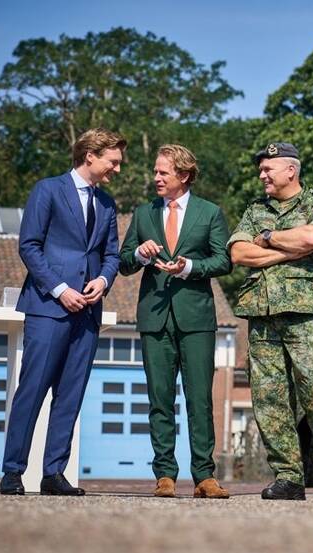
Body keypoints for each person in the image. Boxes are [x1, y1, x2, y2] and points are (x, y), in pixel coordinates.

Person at [1, 128, 125, 496]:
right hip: (48, 309)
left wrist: (103, 281)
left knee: (71, 395)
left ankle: (53, 472)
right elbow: (30, 245)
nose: (116, 170)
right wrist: (60, 289)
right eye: (113, 162)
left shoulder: (107, 204)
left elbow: (111, 254)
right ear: (90, 154)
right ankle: (12, 471)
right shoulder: (47, 190)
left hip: (87, 314)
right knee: (32, 390)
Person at [228, 142, 313, 502]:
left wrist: (266, 240)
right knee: (269, 399)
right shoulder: (255, 209)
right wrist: (288, 250)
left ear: (290, 171)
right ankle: (288, 477)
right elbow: (237, 252)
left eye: (268, 169)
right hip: (262, 314)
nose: (262, 175)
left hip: (307, 314)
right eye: (261, 170)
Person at [119, 144, 232, 499]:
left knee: (200, 400)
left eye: (162, 172)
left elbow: (223, 261)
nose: (156, 178)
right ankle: (164, 475)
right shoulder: (142, 214)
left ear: (183, 175)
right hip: (154, 318)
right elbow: (123, 262)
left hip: (196, 318)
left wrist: (190, 268)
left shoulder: (209, 213)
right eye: (156, 171)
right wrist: (139, 253)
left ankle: (204, 476)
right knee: (159, 399)